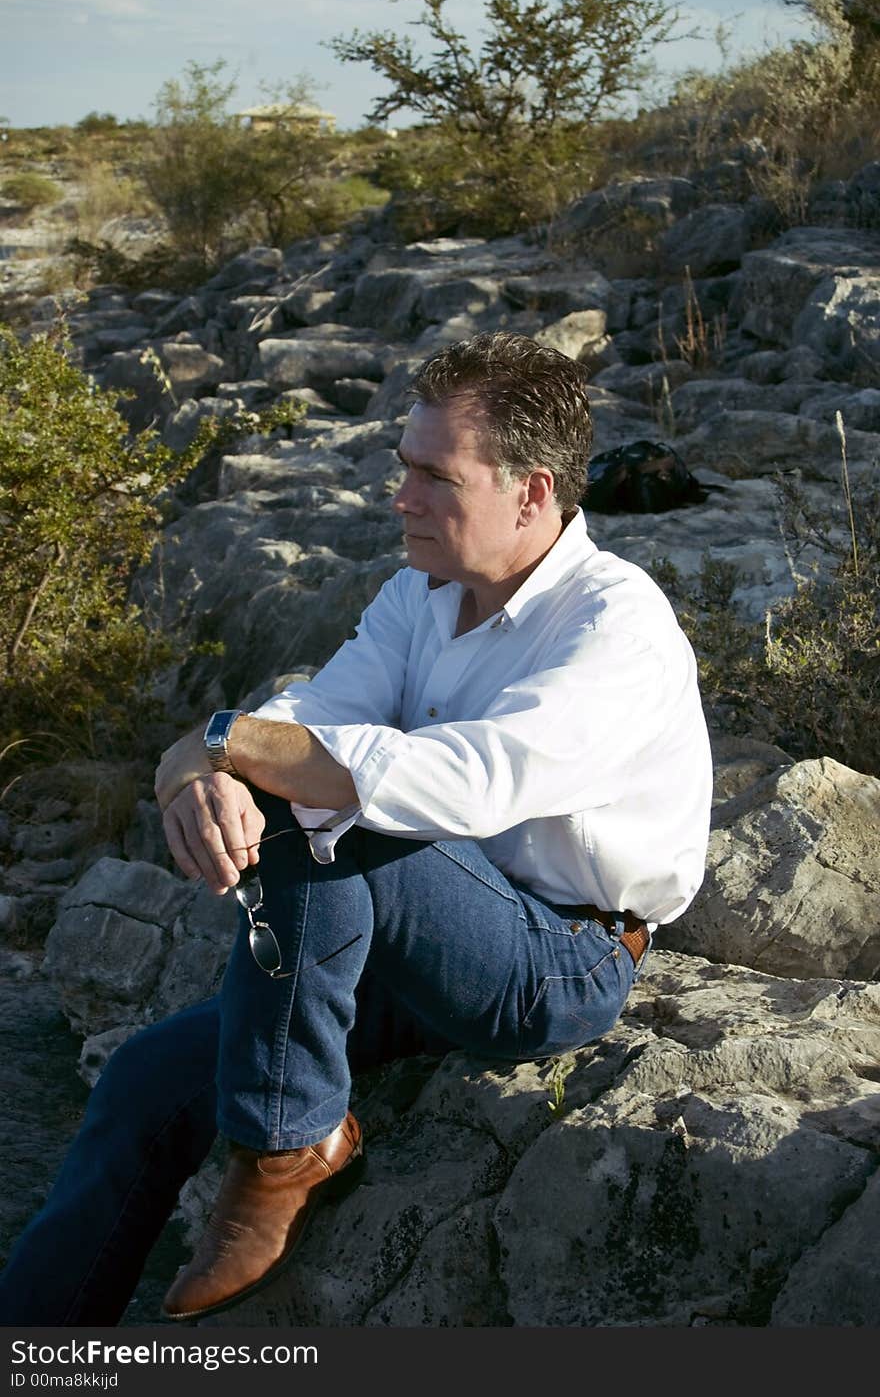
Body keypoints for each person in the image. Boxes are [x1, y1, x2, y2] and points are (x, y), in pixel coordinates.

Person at [0, 331, 713, 1326]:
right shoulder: (420, 595)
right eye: (401, 467)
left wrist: (221, 745)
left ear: (532, 493)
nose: (400, 497)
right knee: (143, 1078)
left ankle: (284, 1149)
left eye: (433, 475)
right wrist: (203, 764)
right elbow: (312, 717)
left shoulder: (615, 626)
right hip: (419, 939)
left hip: (559, 958)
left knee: (313, 806)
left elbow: (467, 782)